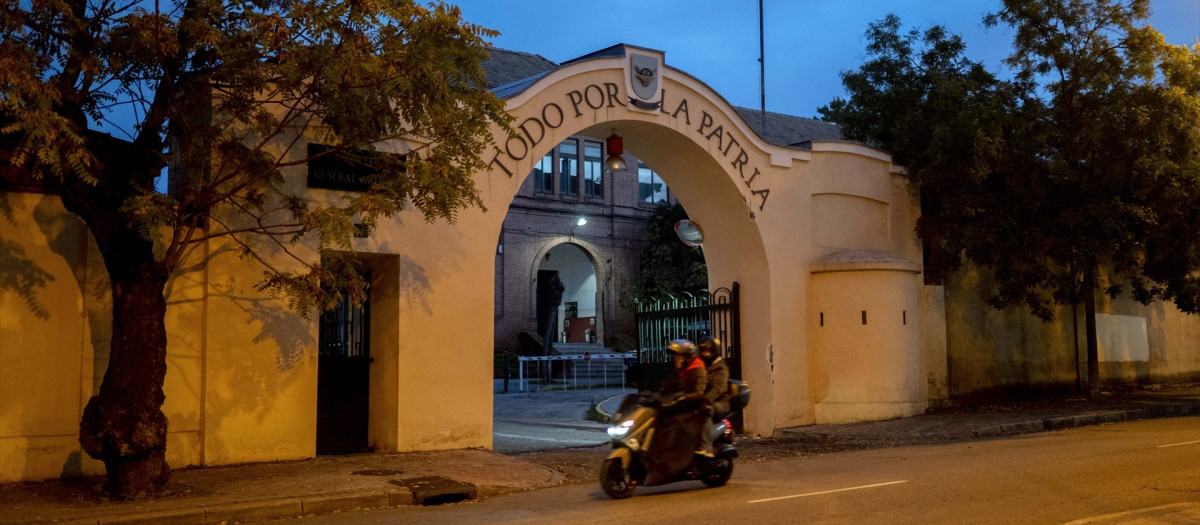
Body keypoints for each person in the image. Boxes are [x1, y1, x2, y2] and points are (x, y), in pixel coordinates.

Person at [657, 339, 708, 460]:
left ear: (687, 357)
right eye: (675, 356)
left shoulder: (698, 370)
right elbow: (670, 387)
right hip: (679, 404)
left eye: (679, 356)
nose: (676, 359)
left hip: (692, 407)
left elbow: (699, 393)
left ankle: (678, 455)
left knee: (677, 423)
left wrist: (685, 397)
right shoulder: (678, 371)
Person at [696, 335, 730, 457]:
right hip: (702, 399)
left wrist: (706, 399)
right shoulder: (700, 365)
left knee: (706, 410)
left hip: (720, 402)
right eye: (703, 350)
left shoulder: (720, 367)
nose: (705, 353)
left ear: (714, 351)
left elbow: (718, 388)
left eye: (708, 351)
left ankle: (706, 447)